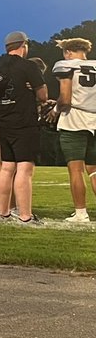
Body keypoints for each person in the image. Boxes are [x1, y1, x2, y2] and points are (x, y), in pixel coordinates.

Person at [0, 31, 48, 225]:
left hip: (3, 121)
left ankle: (3, 214)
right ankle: (25, 216)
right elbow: (42, 96)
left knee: (6, 168)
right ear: (23, 45)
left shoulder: (0, 66)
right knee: (24, 168)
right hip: (23, 121)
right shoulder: (29, 66)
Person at [52, 38, 96, 223]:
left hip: (74, 121)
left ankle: (80, 213)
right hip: (95, 121)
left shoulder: (66, 65)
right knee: (94, 171)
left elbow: (65, 98)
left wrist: (55, 110)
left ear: (68, 52)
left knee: (76, 170)